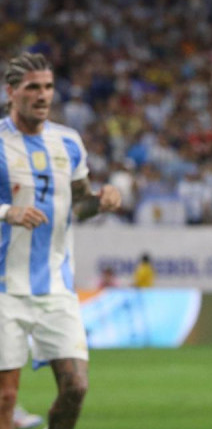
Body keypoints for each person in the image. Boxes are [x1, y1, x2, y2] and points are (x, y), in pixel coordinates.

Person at [0, 52, 122, 429]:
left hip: (56, 287)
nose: (43, 95)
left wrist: (101, 200)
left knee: (76, 388)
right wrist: (8, 212)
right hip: (4, 290)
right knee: (5, 398)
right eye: (32, 87)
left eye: (48, 87)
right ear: (11, 93)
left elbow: (79, 206)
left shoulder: (68, 143)